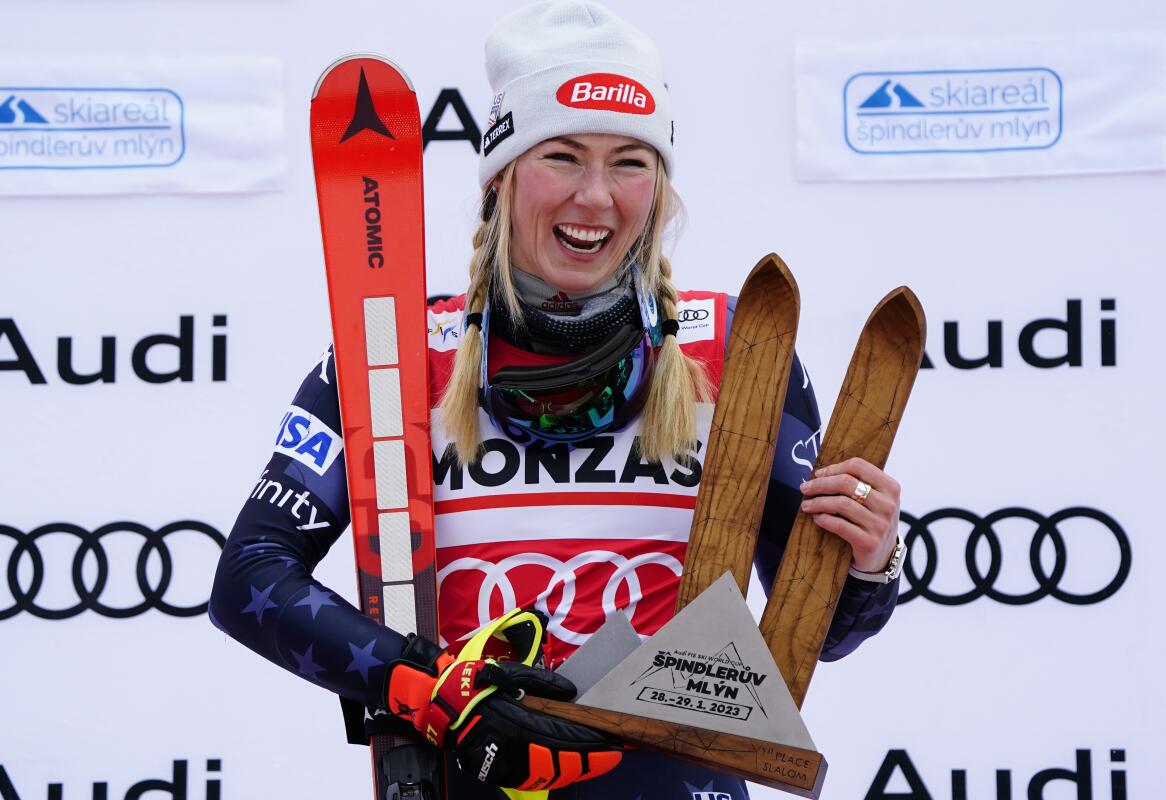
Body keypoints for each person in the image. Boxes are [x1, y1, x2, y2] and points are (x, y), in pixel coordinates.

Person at [209, 2, 907, 798]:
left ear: (661, 185)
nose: (596, 197)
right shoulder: (393, 359)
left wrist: (872, 557)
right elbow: (250, 577)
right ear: (501, 175)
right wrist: (433, 687)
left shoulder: (738, 351)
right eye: (564, 156)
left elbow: (822, 634)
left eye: (630, 163)